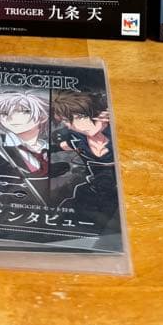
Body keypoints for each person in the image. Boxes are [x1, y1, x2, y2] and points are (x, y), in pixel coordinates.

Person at [52, 91, 118, 229]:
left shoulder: (116, 133)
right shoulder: (75, 138)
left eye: (80, 117)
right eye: (66, 120)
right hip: (94, 190)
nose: (74, 125)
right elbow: (61, 146)